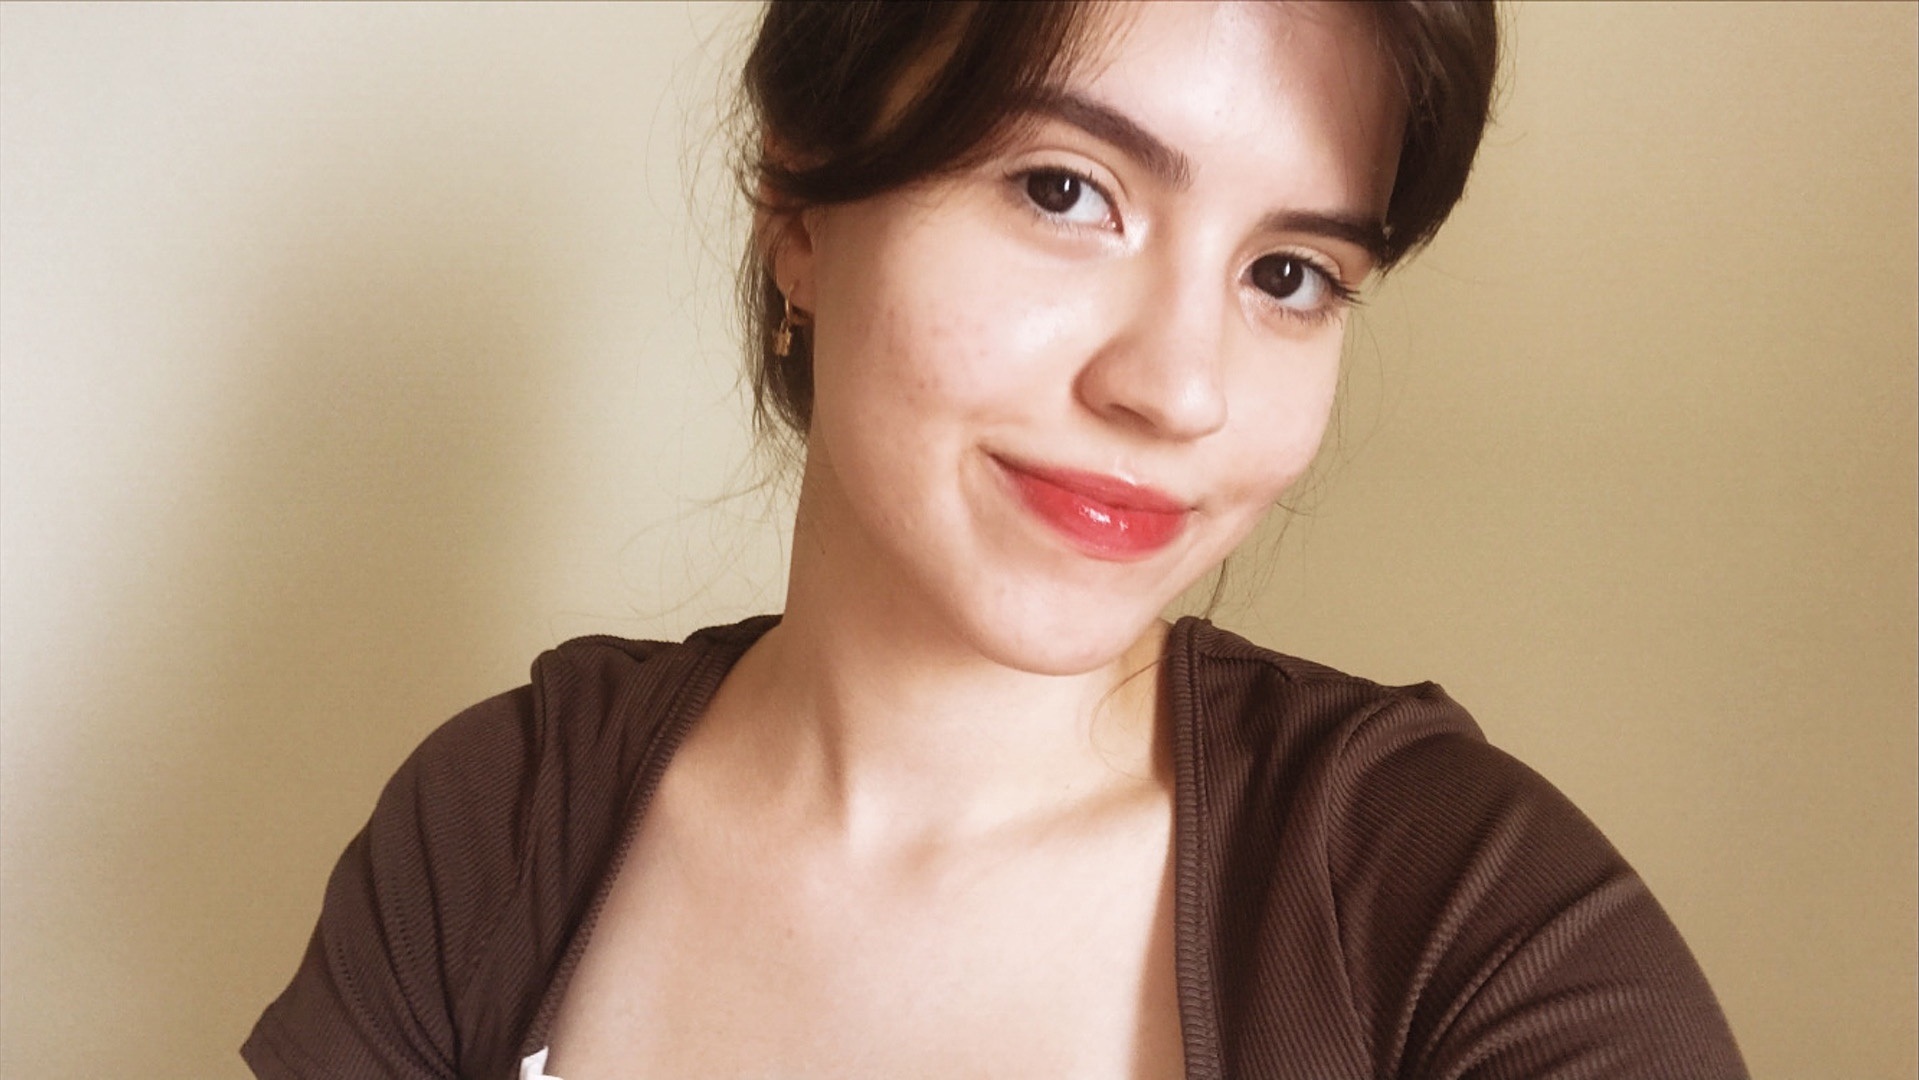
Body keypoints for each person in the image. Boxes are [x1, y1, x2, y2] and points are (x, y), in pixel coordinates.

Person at [244, 2, 1750, 1077]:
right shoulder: (495, 825)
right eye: (1065, 190)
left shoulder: (1468, 922)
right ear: (798, 208)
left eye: (1288, 273)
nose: (1178, 387)